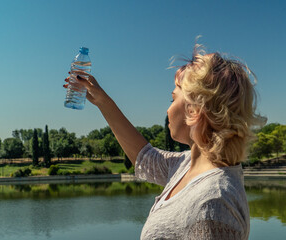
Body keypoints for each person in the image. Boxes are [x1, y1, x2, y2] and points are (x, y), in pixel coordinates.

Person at [64, 44, 264, 239]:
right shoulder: (186, 166)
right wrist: (102, 101)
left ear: (194, 109)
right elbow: (146, 158)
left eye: (173, 99)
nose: (168, 110)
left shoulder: (214, 204)